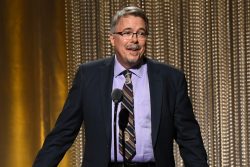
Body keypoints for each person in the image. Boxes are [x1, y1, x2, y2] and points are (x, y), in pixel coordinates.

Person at [33, 6, 208, 167]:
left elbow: (189, 138)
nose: (134, 40)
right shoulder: (89, 76)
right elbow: (63, 133)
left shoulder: (170, 78)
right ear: (112, 39)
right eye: (127, 32)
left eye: (141, 33)